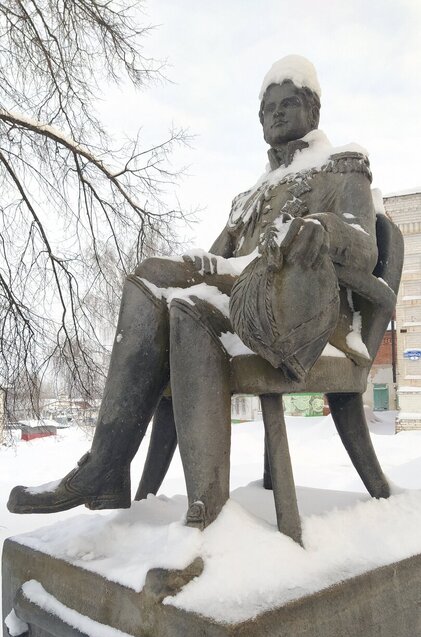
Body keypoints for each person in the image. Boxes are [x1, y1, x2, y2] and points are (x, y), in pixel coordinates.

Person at [8, 55, 379, 528]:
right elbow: (219, 257)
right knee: (151, 276)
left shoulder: (342, 166)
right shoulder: (249, 196)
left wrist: (323, 227)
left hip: (301, 314)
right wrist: (205, 263)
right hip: (240, 293)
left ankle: (185, 499)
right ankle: (106, 467)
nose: (275, 115)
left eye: (287, 104)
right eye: (267, 109)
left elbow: (366, 247)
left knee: (187, 304)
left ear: (314, 110)